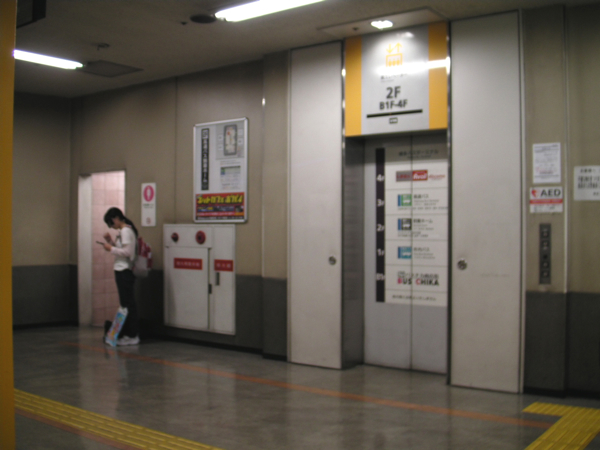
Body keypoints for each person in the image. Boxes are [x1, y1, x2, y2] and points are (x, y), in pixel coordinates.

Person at [101, 207, 140, 346]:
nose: (111, 226)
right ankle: (128, 334)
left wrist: (111, 249)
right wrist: (111, 242)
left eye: (110, 223)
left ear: (116, 218)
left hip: (124, 270)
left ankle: (132, 335)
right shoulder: (124, 231)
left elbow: (127, 252)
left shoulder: (125, 231)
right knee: (126, 304)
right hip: (122, 270)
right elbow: (122, 250)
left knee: (127, 304)